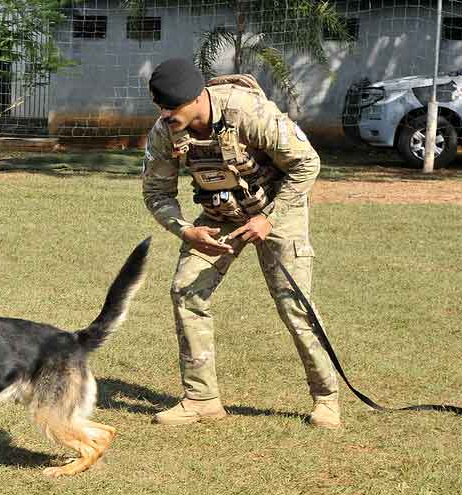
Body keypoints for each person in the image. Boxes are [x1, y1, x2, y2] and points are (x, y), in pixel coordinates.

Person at [142, 57, 340, 428]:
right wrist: (185, 229)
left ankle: (327, 398)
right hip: (219, 216)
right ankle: (201, 399)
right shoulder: (165, 131)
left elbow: (307, 163)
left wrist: (269, 219)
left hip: (278, 209)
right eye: (161, 106)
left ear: (198, 98)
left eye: (173, 107)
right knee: (186, 291)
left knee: (294, 305)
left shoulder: (246, 111)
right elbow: (156, 191)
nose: (166, 114)